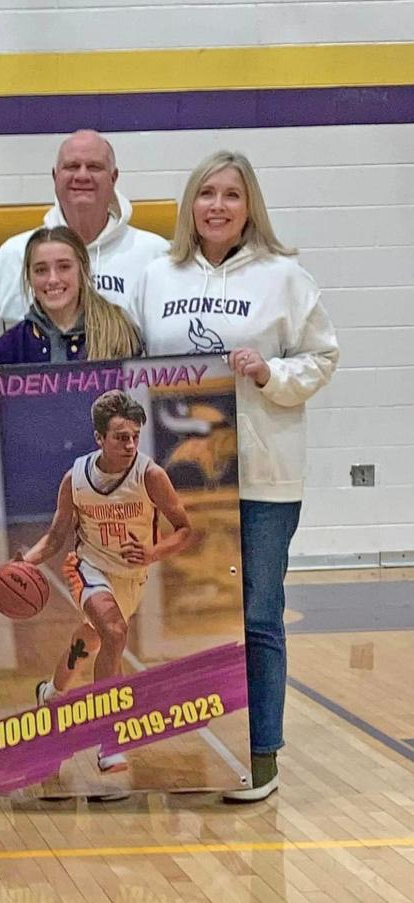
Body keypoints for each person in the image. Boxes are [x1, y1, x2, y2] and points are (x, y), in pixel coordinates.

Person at [133, 150, 339, 801]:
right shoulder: (154, 276)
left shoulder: (286, 277)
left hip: (261, 476)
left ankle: (263, 751)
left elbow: (321, 356)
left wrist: (269, 374)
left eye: (231, 194)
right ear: (189, 205)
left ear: (250, 206)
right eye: (207, 193)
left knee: (257, 614)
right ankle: (184, 745)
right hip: (177, 477)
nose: (217, 205)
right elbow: (130, 365)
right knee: (171, 615)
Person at [21, 390, 192, 772]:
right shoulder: (76, 478)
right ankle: (109, 738)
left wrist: (152, 553)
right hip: (88, 567)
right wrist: (25, 563)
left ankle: (50, 694)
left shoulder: (151, 476)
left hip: (132, 576)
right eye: (120, 436)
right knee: (114, 633)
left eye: (135, 435)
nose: (130, 444)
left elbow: (184, 529)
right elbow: (55, 535)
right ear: (99, 438)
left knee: (88, 642)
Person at [0, 130, 168, 326]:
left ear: (113, 177)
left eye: (94, 167)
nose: (82, 175)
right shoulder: (13, 255)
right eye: (71, 166)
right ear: (55, 177)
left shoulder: (154, 254)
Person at [0, 226, 141, 365]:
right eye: (41, 270)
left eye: (64, 267)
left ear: (83, 269)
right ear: (29, 277)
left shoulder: (118, 331)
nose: (53, 279)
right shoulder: (8, 349)